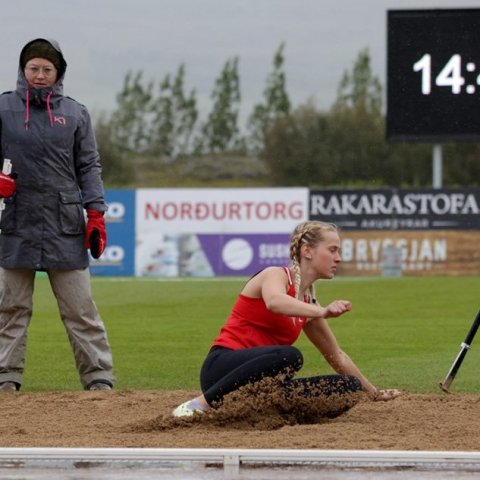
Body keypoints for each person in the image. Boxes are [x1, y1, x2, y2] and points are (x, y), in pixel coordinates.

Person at [173, 220, 400, 417]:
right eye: (332, 250)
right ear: (307, 251)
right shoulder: (276, 275)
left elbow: (336, 355)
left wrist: (374, 393)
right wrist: (321, 312)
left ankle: (265, 411)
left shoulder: (309, 303)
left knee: (349, 387)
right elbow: (275, 302)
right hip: (221, 370)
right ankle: (198, 404)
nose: (338, 258)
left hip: (260, 384)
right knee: (289, 356)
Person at [0, 38, 114, 392]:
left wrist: (95, 213)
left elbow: (89, 166)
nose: (39, 75)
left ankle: (98, 377)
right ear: (23, 70)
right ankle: (6, 378)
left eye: (47, 69)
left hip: (65, 225)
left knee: (81, 311)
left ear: (58, 73)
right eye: (33, 68)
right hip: (14, 223)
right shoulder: (3, 109)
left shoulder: (76, 113)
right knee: (10, 310)